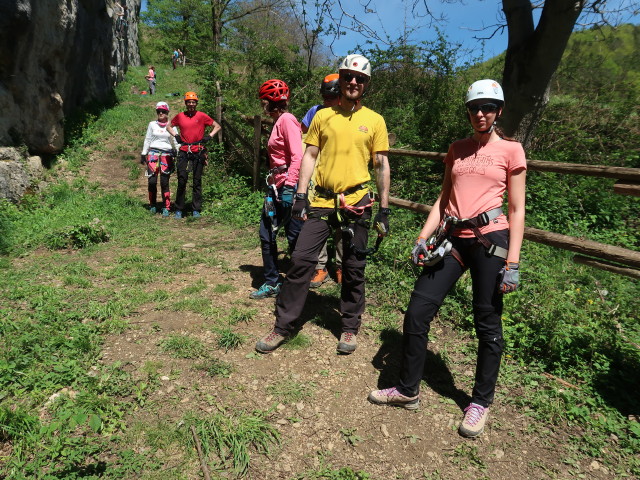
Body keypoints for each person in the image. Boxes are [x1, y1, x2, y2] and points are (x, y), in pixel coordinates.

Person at [368, 79, 527, 439]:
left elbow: (517, 210)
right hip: (451, 237)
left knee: (487, 322)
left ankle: (480, 402)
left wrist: (513, 262)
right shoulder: (457, 148)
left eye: (488, 107)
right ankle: (408, 389)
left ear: (498, 111)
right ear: (468, 112)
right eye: (474, 108)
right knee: (417, 310)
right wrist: (423, 237)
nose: (481, 114)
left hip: (490, 239)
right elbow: (443, 199)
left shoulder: (512, 151)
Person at [255, 54, 391, 355]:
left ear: (366, 84)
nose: (353, 82)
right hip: (321, 200)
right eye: (348, 77)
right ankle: (283, 325)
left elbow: (381, 165)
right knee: (301, 260)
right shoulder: (321, 117)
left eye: (360, 79)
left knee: (354, 267)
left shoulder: (374, 120)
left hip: (357, 202)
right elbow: (310, 156)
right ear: (340, 80)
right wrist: (300, 195)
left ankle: (349, 327)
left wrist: (384, 209)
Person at [250, 79, 304, 300]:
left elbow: (298, 155)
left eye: (263, 101)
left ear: (269, 102)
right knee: (268, 234)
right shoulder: (279, 121)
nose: (262, 104)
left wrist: (291, 186)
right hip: (276, 187)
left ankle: (297, 282)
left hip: (285, 187)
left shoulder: (287, 120)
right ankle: (274, 281)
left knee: (294, 237)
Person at [301, 73, 344, 288]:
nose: (327, 101)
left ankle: (342, 267)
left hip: (343, 177)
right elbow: (304, 140)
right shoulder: (315, 112)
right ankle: (320, 267)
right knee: (316, 219)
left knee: (342, 224)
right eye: (325, 97)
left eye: (332, 97)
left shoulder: (348, 114)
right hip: (317, 178)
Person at [170, 91, 221, 218]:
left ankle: (196, 209)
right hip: (184, 151)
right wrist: (176, 135)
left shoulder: (202, 116)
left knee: (197, 181)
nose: (191, 104)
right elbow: (168, 126)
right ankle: (179, 208)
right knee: (182, 180)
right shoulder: (180, 116)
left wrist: (209, 136)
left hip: (198, 150)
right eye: (189, 102)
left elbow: (217, 126)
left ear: (196, 103)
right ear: (186, 103)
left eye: (193, 102)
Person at [140, 102, 177, 216]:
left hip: (167, 155)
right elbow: (148, 138)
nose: (161, 113)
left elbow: (176, 140)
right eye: (158, 111)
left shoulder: (172, 125)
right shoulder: (152, 124)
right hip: (153, 154)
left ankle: (167, 206)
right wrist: (143, 153)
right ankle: (152, 204)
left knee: (164, 182)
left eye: (163, 111)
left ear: (167, 112)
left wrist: (179, 153)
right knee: (152, 181)